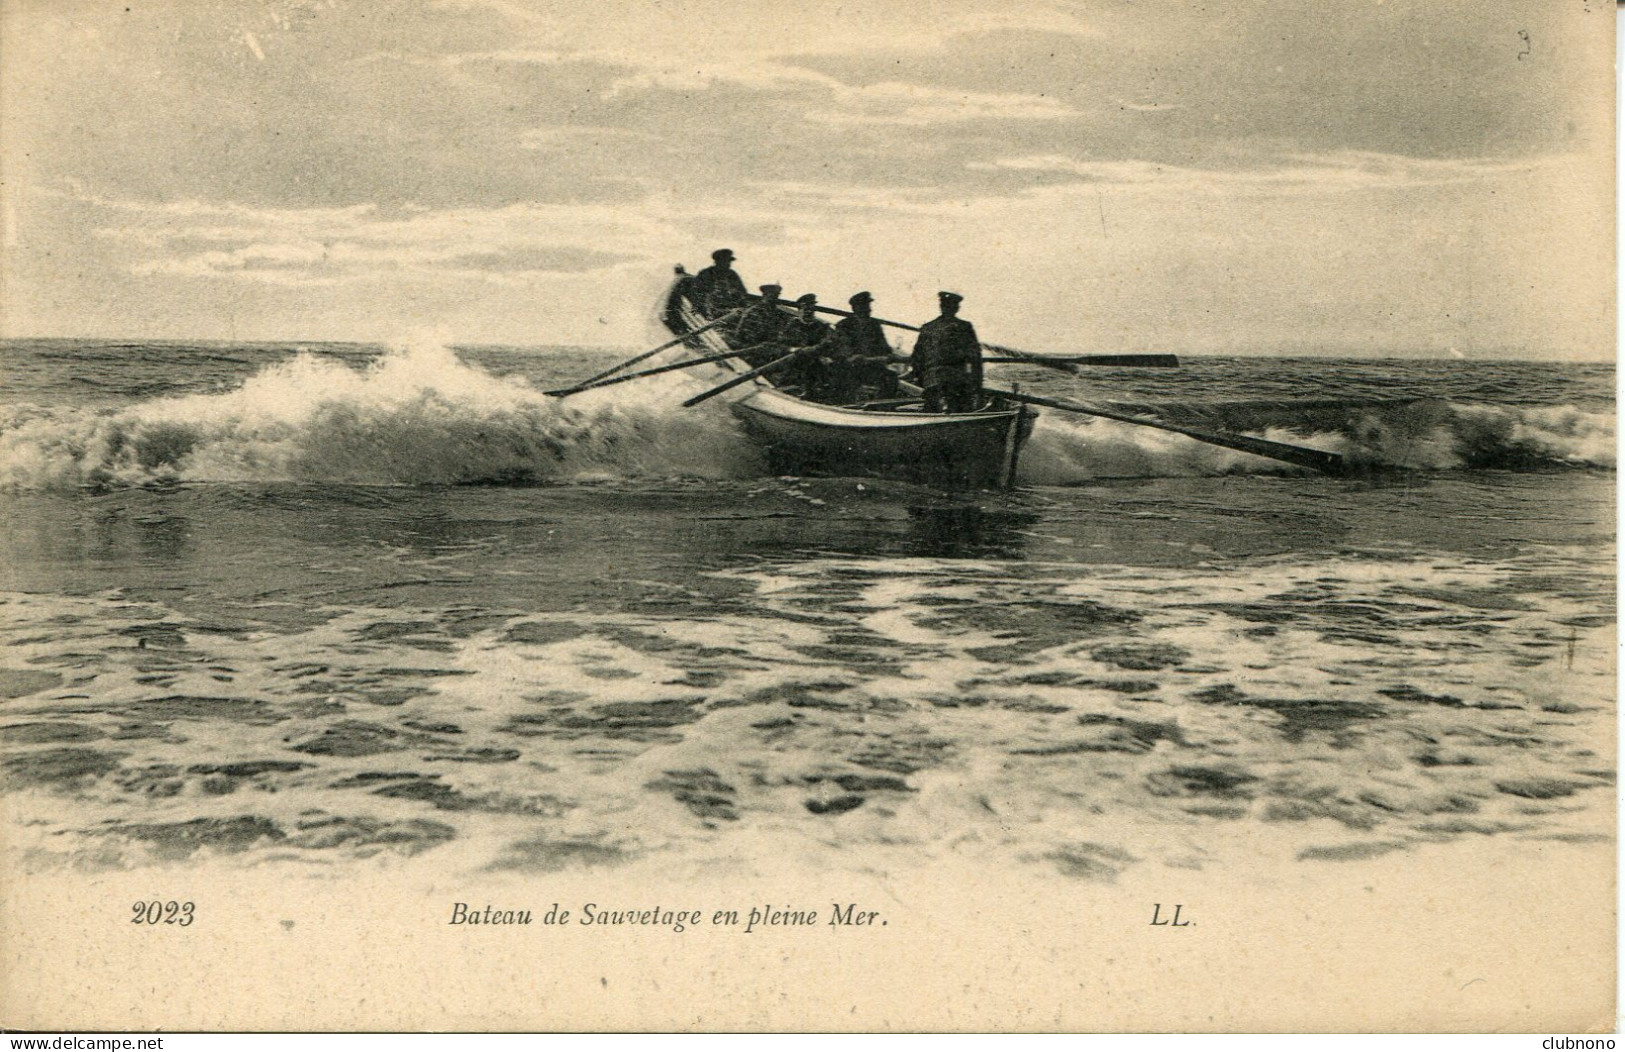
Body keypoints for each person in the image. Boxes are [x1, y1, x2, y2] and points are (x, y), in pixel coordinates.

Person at [910, 291, 982, 413]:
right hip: (957, 380)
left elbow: (916, 359)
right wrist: (977, 385)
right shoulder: (964, 327)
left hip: (932, 381)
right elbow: (975, 359)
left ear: (941, 306)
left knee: (931, 413)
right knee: (962, 411)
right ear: (957, 308)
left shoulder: (928, 327)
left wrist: (922, 380)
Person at [824, 291, 900, 404]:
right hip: (850, 367)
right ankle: (843, 406)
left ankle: (882, 407)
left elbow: (884, 347)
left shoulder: (874, 325)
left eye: (869, 306)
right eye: (865, 306)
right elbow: (843, 349)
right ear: (856, 308)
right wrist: (853, 357)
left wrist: (889, 355)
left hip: (870, 367)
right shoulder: (844, 325)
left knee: (890, 377)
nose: (869, 309)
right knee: (843, 379)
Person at [778, 294, 834, 394]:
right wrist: (792, 349)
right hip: (794, 359)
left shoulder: (821, 327)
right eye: (806, 309)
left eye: (811, 309)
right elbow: (781, 343)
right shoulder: (791, 325)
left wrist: (819, 353)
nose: (809, 312)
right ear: (799, 310)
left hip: (815, 360)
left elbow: (827, 343)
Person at [731, 284, 789, 367]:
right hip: (749, 349)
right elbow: (741, 334)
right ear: (765, 295)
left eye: (776, 296)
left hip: (767, 351)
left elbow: (778, 335)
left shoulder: (778, 314)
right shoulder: (753, 311)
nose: (775, 298)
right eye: (772, 296)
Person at [690, 248, 749, 318]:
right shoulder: (706, 273)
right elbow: (697, 292)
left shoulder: (732, 274)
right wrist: (698, 308)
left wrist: (743, 306)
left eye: (729, 261)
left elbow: (742, 292)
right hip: (712, 310)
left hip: (732, 309)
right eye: (726, 261)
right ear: (718, 261)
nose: (729, 264)